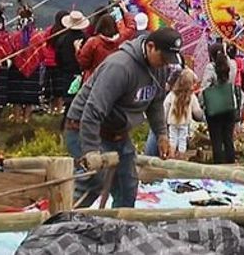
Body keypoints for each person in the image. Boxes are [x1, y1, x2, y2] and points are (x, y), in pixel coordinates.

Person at [64, 28, 182, 208]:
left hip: (117, 133)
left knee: (127, 186)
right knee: (94, 180)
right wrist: (91, 150)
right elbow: (93, 110)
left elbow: (156, 103)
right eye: (163, 58)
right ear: (150, 47)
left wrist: (161, 134)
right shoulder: (120, 67)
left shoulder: (160, 69)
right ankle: (61, 224)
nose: (165, 64)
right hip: (84, 127)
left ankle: (119, 229)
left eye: (169, 60)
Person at [200, 42, 238, 163]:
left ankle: (219, 165)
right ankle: (231, 162)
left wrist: (202, 104)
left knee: (216, 138)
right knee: (228, 137)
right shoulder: (232, 65)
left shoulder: (210, 68)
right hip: (229, 105)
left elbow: (204, 88)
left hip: (214, 107)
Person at [7, 6, 44, 124]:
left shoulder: (14, 37)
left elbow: (10, 53)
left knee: (16, 96)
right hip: (33, 69)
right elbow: (42, 53)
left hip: (16, 69)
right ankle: (27, 118)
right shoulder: (38, 36)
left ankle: (17, 117)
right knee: (30, 95)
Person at [52, 11, 90, 110]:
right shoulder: (88, 39)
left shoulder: (62, 39)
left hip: (67, 72)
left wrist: (62, 68)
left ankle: (68, 119)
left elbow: (57, 58)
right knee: (82, 98)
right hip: (83, 73)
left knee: (68, 99)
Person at [163, 68, 203, 159]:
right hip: (184, 122)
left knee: (172, 140)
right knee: (182, 141)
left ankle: (171, 157)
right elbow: (197, 111)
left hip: (172, 122)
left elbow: (166, 107)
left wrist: (164, 121)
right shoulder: (191, 97)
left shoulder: (172, 94)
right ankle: (181, 158)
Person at [77, 13, 123, 82]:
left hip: (94, 79)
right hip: (113, 79)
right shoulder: (121, 40)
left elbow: (83, 63)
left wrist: (77, 50)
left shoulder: (93, 42)